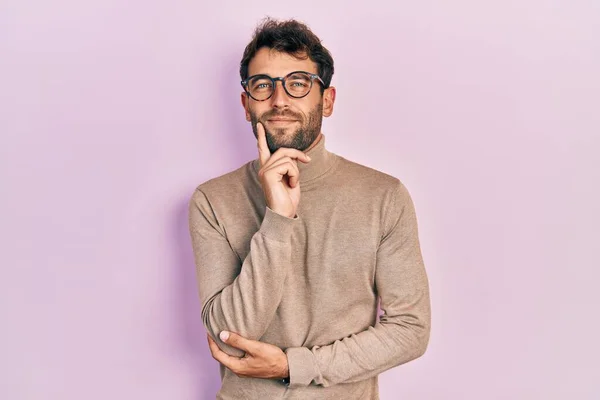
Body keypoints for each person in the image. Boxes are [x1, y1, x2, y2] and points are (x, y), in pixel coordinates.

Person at [188, 17, 431, 400]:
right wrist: (278, 218)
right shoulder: (212, 199)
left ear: (327, 100)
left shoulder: (384, 195)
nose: (279, 100)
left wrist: (293, 366)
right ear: (246, 103)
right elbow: (231, 335)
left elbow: (410, 330)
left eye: (298, 83)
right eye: (263, 85)